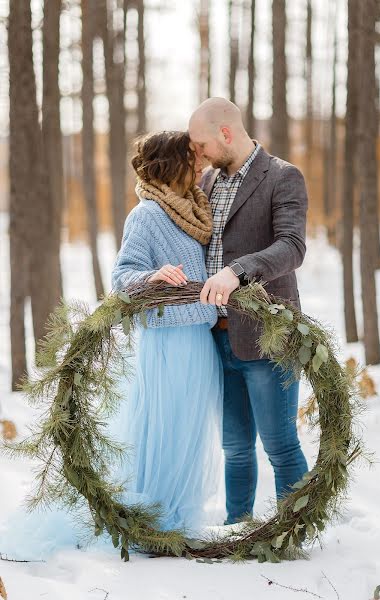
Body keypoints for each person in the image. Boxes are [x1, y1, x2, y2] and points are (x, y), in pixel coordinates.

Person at [188, 97, 309, 525]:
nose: (197, 154)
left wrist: (238, 272)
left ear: (225, 133)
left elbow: (292, 247)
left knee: (280, 445)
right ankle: (237, 527)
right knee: (235, 447)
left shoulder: (282, 177)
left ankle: (294, 531)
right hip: (215, 336)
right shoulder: (206, 182)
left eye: (201, 144)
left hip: (266, 335)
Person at [110, 130, 223, 534]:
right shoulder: (147, 214)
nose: (200, 163)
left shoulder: (194, 208)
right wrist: (153, 275)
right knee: (166, 430)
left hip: (198, 338)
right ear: (173, 163)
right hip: (167, 342)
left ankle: (178, 517)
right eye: (192, 157)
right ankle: (155, 520)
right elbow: (121, 277)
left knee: (190, 435)